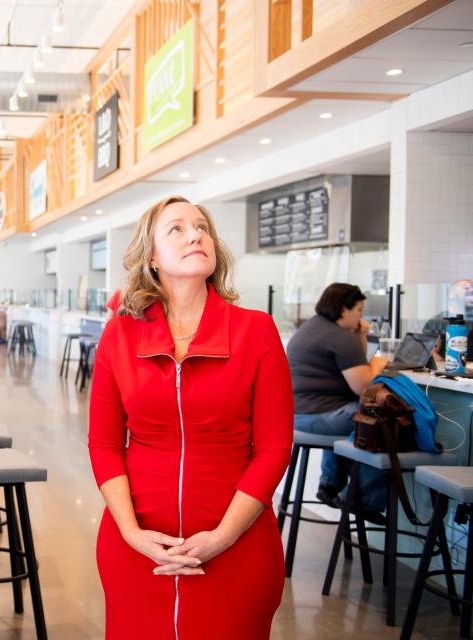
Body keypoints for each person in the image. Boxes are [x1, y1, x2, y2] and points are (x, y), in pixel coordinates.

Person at [88, 195, 293, 639]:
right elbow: (104, 444)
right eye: (176, 229)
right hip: (138, 548)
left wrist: (221, 536)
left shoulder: (256, 331)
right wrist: (130, 531)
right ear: (151, 257)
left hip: (237, 546)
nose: (195, 234)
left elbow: (274, 448)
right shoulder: (120, 335)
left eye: (201, 226)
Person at [287, 282, 389, 523]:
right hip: (318, 416)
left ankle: (330, 484)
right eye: (359, 310)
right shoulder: (339, 337)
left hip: (299, 414)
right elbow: (363, 387)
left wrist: (361, 335)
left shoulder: (311, 327)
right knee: (377, 420)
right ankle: (364, 500)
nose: (361, 317)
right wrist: (377, 368)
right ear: (344, 309)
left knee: (349, 417)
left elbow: (355, 367)